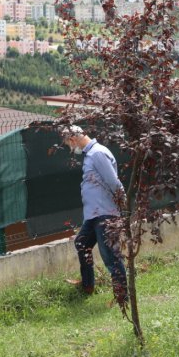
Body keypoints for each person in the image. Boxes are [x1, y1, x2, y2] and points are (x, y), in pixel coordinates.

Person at [61, 125, 129, 298]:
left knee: (110, 255)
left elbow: (113, 182)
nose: (70, 149)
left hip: (105, 213)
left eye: (68, 144)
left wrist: (123, 204)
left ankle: (122, 295)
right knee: (82, 243)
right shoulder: (90, 155)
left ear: (73, 139)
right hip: (94, 214)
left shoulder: (97, 153)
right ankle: (87, 286)